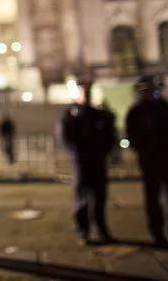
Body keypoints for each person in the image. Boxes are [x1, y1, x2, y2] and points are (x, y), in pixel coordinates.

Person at [126, 75, 168, 247]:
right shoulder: (135, 111)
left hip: (167, 158)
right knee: (153, 199)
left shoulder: (161, 107)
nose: (148, 94)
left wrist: (160, 99)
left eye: (151, 91)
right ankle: (158, 234)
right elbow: (132, 137)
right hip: (150, 161)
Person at [58, 80, 116, 245]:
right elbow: (66, 137)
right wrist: (77, 154)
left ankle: (101, 229)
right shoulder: (70, 114)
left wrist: (103, 151)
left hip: (97, 160)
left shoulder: (99, 114)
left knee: (100, 197)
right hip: (81, 162)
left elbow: (110, 135)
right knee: (82, 198)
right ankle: (83, 231)